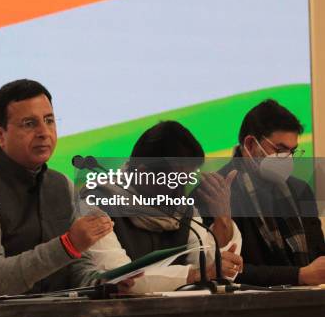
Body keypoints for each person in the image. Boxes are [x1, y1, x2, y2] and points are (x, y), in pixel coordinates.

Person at [0, 79, 131, 300]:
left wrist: (103, 283)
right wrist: (68, 244)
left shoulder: (60, 186)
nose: (44, 132)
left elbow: (75, 268)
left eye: (49, 120)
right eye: (29, 124)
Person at [85, 121, 244, 293]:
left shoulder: (183, 210)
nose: (181, 191)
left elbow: (209, 270)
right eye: (175, 181)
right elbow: (121, 279)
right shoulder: (97, 203)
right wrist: (196, 275)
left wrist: (223, 219)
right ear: (143, 173)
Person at [208, 99, 325, 286]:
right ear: (250, 144)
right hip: (245, 310)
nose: (287, 158)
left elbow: (318, 255)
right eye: (280, 149)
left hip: (305, 304)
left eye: (292, 151)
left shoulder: (300, 190)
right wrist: (298, 275)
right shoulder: (216, 191)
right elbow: (222, 269)